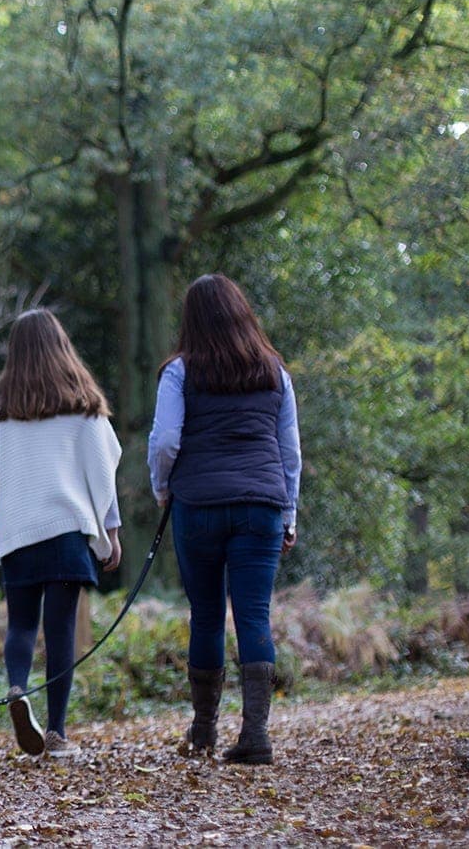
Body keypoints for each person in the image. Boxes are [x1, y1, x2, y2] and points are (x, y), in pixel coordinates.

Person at [149, 273, 301, 766]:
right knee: (254, 616)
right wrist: (289, 513)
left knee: (207, 616)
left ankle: (202, 733)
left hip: (198, 507)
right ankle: (255, 735)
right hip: (261, 505)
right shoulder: (274, 370)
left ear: (190, 319)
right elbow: (289, 451)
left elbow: (166, 440)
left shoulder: (179, 372)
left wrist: (162, 486)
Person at [0, 309, 123, 760]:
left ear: (15, 352)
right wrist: (110, 531)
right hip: (67, 532)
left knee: (20, 624)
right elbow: (104, 473)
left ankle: (18, 689)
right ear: (62, 346)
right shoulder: (84, 405)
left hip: (19, 532)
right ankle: (56, 734)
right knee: (60, 636)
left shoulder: (1, 410)